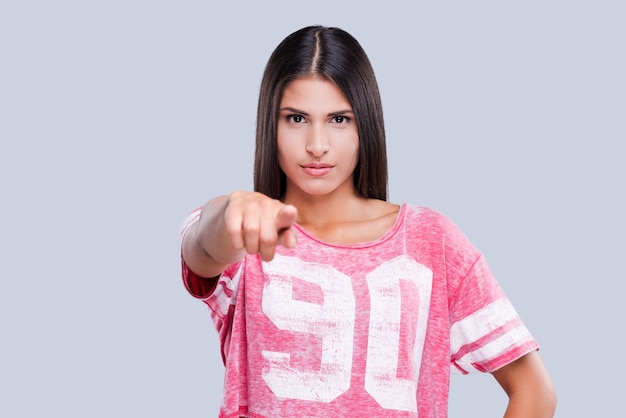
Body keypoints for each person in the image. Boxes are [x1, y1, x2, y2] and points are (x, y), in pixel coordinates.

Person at [179, 25, 556, 418]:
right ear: (269, 126)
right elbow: (202, 247)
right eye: (296, 118)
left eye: (339, 119)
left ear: (366, 125)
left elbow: (534, 390)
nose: (317, 144)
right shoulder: (247, 232)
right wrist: (230, 213)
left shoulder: (430, 240)